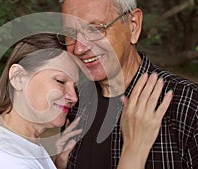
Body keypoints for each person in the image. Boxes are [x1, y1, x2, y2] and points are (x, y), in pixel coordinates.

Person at [0, 33, 172, 169]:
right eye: (60, 80)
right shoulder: (2, 161)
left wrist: (57, 165)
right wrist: (134, 150)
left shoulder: (17, 146)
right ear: (18, 78)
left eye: (74, 85)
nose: (72, 97)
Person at [58, 0, 198, 169]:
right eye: (70, 33)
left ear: (133, 26)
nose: (79, 48)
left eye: (95, 29)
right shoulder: (74, 104)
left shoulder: (188, 106)